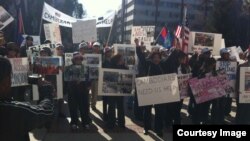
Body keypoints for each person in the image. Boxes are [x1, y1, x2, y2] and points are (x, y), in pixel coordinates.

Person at [0, 57, 54, 141]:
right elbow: (45, 112)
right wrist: (47, 92)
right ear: (5, 82)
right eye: (10, 76)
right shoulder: (13, 110)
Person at [135, 38, 165, 137]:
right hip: (148, 91)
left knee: (159, 111)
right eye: (155, 57)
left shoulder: (163, 65)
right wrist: (137, 45)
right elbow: (141, 57)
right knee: (147, 111)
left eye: (158, 57)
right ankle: (146, 128)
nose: (156, 59)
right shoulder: (148, 64)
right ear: (152, 58)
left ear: (160, 58)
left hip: (159, 92)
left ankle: (158, 129)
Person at [66, 52, 91, 130]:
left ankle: (85, 122)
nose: (78, 60)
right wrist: (73, 79)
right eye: (76, 58)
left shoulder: (85, 67)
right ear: (73, 60)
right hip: (72, 91)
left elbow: (89, 78)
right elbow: (66, 78)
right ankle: (74, 122)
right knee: (73, 108)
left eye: (80, 58)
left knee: (84, 107)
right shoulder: (69, 67)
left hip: (83, 91)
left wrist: (89, 86)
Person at [106, 54, 127, 129]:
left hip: (120, 91)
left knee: (120, 107)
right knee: (111, 106)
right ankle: (111, 122)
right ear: (117, 60)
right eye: (121, 59)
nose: (123, 60)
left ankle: (121, 123)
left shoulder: (124, 68)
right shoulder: (110, 67)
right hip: (112, 90)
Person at [235, 54, 250, 124]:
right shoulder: (241, 66)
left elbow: (237, 80)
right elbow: (237, 79)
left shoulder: (240, 66)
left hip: (243, 92)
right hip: (242, 92)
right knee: (242, 110)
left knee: (244, 110)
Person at [102, 47, 113, 121]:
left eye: (110, 52)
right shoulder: (102, 62)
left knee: (110, 100)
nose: (109, 53)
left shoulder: (113, 61)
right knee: (105, 100)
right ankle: (105, 115)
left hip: (112, 82)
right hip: (104, 83)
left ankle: (110, 115)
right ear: (105, 53)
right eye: (107, 52)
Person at [90, 42, 101, 110]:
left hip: (97, 77)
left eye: (97, 46)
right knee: (89, 91)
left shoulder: (101, 56)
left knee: (95, 92)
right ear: (93, 47)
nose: (96, 48)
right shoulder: (89, 55)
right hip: (89, 77)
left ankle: (93, 105)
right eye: (95, 46)